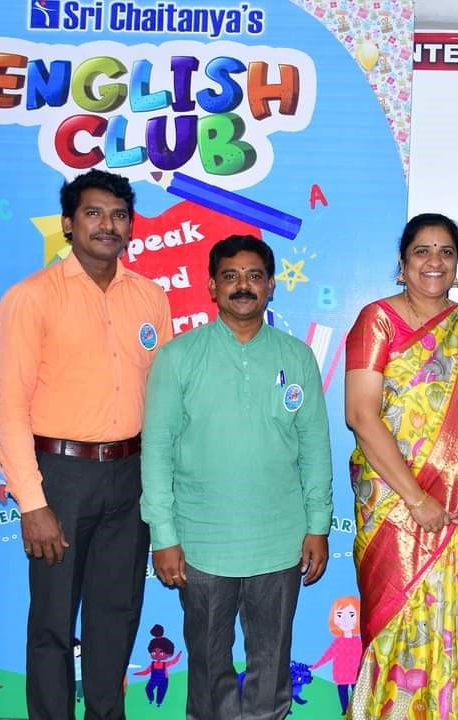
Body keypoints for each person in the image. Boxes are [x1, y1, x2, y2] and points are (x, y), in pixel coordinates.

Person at [0, 169, 172, 719]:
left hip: (131, 475)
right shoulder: (31, 298)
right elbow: (9, 407)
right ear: (69, 224)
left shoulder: (150, 298)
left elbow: (163, 400)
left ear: (131, 227)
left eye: (118, 215)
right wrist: (33, 503)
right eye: (93, 213)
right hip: (60, 477)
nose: (107, 225)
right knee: (52, 621)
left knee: (116, 615)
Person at [140, 234, 332, 720]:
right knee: (208, 667)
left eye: (253, 276)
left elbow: (314, 446)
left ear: (270, 286)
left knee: (272, 663)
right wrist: (163, 535)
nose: (242, 286)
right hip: (201, 542)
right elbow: (156, 450)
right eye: (230, 276)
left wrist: (317, 525)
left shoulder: (296, 357)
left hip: (280, 540)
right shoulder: (179, 357)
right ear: (212, 286)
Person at [345, 213, 458, 720]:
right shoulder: (377, 320)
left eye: (446, 251)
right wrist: (417, 499)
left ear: (457, 264)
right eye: (422, 250)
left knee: (447, 628)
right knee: (393, 629)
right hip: (394, 508)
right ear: (402, 263)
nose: (434, 261)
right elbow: (361, 416)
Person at [310, 596, 362, 714]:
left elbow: (364, 657)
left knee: (357, 693)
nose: (345, 620)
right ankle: (345, 710)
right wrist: (315, 666)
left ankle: (355, 711)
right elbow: (327, 656)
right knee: (343, 693)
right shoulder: (338, 642)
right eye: (340, 615)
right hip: (341, 675)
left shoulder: (358, 642)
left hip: (355, 674)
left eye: (351, 615)